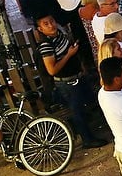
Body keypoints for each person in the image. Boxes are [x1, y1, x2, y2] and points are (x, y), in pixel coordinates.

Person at [35, 14, 108, 149]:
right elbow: (52, 70)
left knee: (95, 102)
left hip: (79, 77)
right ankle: (87, 139)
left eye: (52, 21)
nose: (51, 25)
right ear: (40, 29)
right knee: (77, 112)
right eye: (46, 24)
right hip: (67, 83)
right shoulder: (46, 46)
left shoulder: (61, 35)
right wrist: (69, 54)